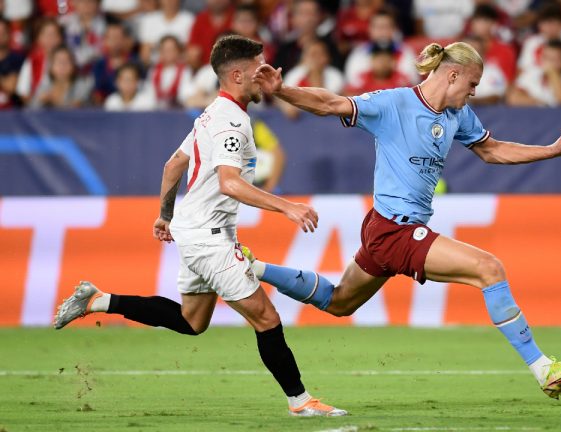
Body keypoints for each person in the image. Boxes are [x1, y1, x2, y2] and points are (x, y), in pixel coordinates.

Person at [253, 41, 561, 399]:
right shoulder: (394, 103)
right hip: (396, 229)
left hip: (386, 229)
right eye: (472, 84)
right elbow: (331, 103)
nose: (474, 92)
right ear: (453, 74)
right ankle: (543, 368)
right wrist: (282, 91)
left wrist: (551, 150)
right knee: (489, 269)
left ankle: (253, 267)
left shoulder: (457, 114)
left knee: (339, 302)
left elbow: (492, 150)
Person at [53, 35, 347, 418]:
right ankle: (300, 401)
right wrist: (286, 206)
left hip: (193, 230)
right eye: (259, 68)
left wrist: (165, 214)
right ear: (237, 75)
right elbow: (230, 183)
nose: (266, 75)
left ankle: (98, 300)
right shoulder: (232, 122)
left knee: (192, 321)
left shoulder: (211, 113)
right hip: (209, 237)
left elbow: (173, 164)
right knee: (266, 317)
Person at [508, 38, 561, 107]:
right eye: (546, 57)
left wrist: (552, 73)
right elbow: (513, 99)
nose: (548, 63)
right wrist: (541, 103)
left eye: (553, 59)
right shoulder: (531, 73)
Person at [29, 44, 93, 109]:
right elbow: (32, 107)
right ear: (51, 67)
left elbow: (78, 107)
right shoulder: (46, 83)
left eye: (66, 62)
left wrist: (55, 102)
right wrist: (41, 101)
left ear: (73, 66)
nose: (62, 66)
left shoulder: (82, 84)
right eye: (58, 62)